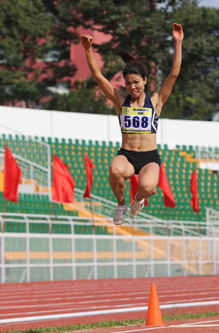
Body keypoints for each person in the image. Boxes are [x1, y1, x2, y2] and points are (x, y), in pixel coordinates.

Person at [80, 23, 184, 225]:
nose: (132, 86)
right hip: (127, 155)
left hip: (149, 157)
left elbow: (173, 74)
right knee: (114, 169)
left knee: (148, 187)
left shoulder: (155, 101)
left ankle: (138, 199)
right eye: (128, 83)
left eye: (136, 82)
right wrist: (87, 49)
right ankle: (121, 204)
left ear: (144, 80)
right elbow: (98, 76)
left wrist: (178, 43)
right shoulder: (120, 100)